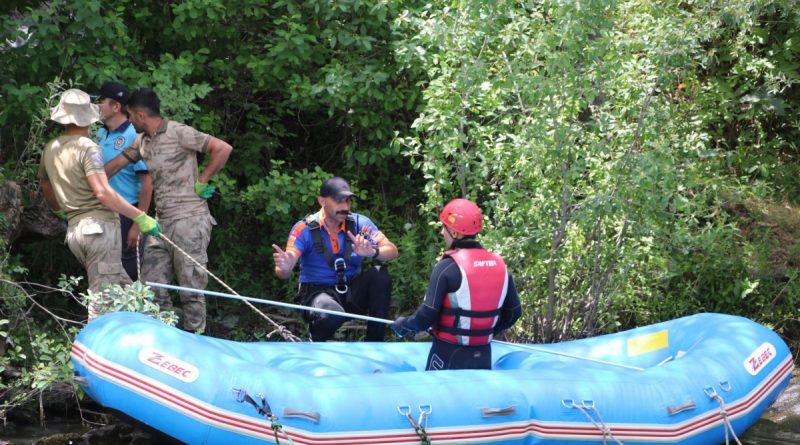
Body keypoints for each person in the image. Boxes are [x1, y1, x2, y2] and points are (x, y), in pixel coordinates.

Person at [104, 88, 232, 332]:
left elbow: (222, 148)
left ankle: (197, 339)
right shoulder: (141, 141)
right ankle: (164, 336)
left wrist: (202, 180)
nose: (129, 121)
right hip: (160, 224)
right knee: (151, 286)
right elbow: (114, 166)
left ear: (141, 115)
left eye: (130, 116)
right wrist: (89, 180)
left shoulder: (179, 132)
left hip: (190, 219)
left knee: (191, 287)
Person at [38, 89, 162, 320]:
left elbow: (45, 186)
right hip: (98, 229)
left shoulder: (51, 148)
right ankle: (94, 350)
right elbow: (103, 192)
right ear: (88, 116)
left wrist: (60, 210)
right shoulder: (88, 147)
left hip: (76, 231)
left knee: (125, 292)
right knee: (102, 302)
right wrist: (140, 216)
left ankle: (143, 336)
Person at [391, 198, 521, 371]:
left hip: (446, 355)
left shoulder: (447, 267)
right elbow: (514, 312)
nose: (441, 233)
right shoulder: (500, 265)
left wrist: (404, 324)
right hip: (483, 356)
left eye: (444, 228)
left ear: (455, 233)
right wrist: (487, 332)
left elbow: (426, 316)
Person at [272, 177, 399, 341]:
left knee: (380, 274)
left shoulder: (360, 222)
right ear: (321, 201)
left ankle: (374, 343)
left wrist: (372, 252)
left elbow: (392, 251)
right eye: (339, 201)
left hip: (351, 291)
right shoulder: (303, 228)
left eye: (348, 201)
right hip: (318, 294)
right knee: (331, 313)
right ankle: (317, 341)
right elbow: (285, 268)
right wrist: (285, 267)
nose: (345, 207)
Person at [95, 81, 153, 281]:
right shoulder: (100, 133)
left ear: (116, 106)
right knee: (104, 270)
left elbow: (147, 182)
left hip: (127, 213)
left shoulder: (133, 135)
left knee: (128, 273)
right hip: (103, 211)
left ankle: (131, 312)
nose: (98, 106)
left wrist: (139, 223)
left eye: (101, 101)